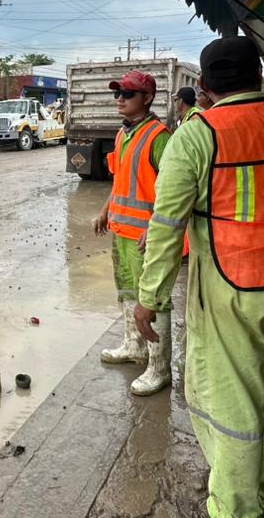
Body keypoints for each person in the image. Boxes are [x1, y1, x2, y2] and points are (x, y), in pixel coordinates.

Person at [137, 35, 264, 517]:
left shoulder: (198, 134)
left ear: (205, 86)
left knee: (232, 412)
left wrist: (150, 297)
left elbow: (167, 225)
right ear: (261, 75)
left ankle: (234, 507)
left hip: (231, 294)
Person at [93, 69, 172, 395]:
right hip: (121, 231)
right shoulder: (122, 135)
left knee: (152, 299)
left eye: (127, 94)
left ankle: (159, 368)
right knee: (127, 291)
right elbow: (120, 180)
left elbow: (173, 190)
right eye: (117, 93)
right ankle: (134, 346)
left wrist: (155, 227)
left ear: (148, 98)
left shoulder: (159, 137)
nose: (119, 99)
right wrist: (105, 209)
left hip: (145, 237)